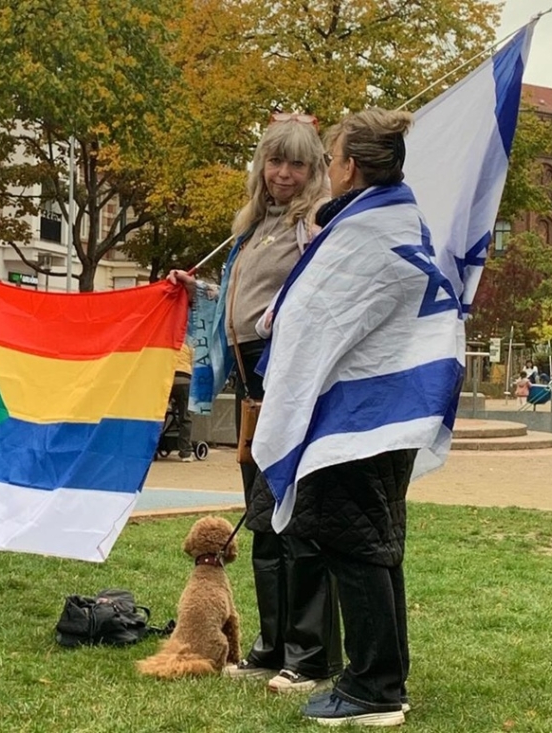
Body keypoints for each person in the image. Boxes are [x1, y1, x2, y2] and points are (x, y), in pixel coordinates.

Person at [277, 108, 441, 726]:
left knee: (355, 544)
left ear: (348, 166)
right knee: (376, 543)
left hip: (361, 410)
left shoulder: (365, 230)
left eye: (331, 155)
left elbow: (319, 315)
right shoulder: (392, 216)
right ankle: (383, 677)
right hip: (388, 407)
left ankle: (374, 689)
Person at [170, 115, 342, 694]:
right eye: (275, 161)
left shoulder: (314, 223)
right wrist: (199, 294)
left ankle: (309, 651)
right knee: (265, 520)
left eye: (297, 163)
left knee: (301, 521)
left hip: (292, 385)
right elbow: (242, 309)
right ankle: (271, 645)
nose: (284, 173)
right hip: (254, 390)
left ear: (316, 168)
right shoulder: (254, 226)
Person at [171, 337, 195, 461]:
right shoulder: (188, 343)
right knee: (185, 416)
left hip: (168, 380)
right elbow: (194, 363)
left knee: (161, 415)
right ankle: (185, 452)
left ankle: (153, 448)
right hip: (185, 379)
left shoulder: (167, 343)